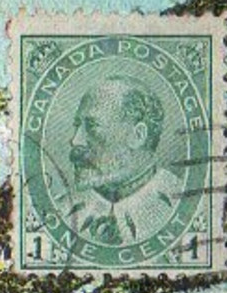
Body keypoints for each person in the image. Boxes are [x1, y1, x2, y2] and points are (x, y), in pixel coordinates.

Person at [63, 75, 180, 247]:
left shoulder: (185, 203)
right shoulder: (61, 210)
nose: (75, 141)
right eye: (77, 126)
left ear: (138, 136)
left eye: (92, 126)